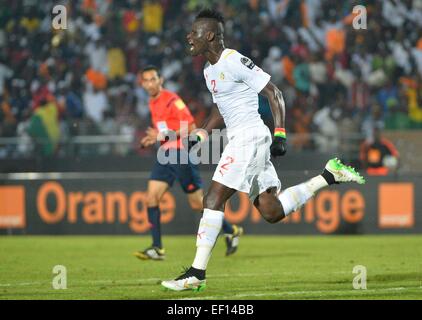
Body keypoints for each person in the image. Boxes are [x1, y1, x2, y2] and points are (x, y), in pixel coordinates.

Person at [161, 9, 365, 291]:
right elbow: (221, 108)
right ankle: (329, 176)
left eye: (194, 32)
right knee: (272, 210)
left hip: (251, 137)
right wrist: (201, 134)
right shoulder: (209, 71)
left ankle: (197, 273)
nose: (188, 36)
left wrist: (280, 133)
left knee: (212, 199)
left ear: (209, 36)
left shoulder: (232, 60)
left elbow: (274, 92)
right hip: (241, 139)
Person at [133, 65, 243, 261]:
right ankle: (157, 248)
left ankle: (230, 230)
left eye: (152, 79)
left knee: (197, 204)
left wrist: (161, 135)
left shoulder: (172, 101)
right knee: (151, 198)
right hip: (165, 155)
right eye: (146, 80)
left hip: (181, 155)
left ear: (161, 80)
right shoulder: (152, 102)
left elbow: (190, 128)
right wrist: (155, 139)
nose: (149, 84)